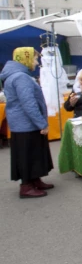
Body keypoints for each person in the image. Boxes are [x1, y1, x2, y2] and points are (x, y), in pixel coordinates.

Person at [0, 47, 55, 198]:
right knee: (28, 154)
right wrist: (41, 124)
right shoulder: (20, 77)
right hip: (26, 125)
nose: (37, 63)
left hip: (22, 124)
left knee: (33, 153)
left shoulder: (16, 75)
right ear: (25, 59)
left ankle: (34, 179)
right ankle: (26, 186)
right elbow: (28, 103)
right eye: (35, 59)